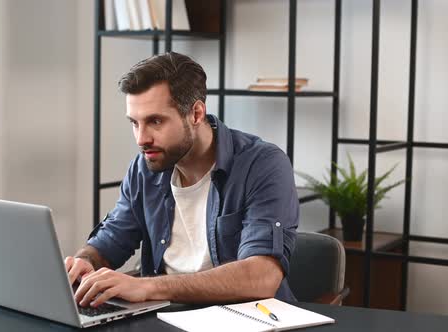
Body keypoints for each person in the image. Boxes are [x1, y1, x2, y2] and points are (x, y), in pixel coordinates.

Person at [66, 52, 299, 308]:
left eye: (155, 121)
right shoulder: (145, 167)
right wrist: (85, 261)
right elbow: (112, 237)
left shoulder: (262, 164)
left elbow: (261, 277)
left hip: (246, 320)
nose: (141, 139)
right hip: (164, 317)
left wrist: (146, 286)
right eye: (135, 123)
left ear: (196, 113)